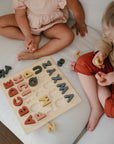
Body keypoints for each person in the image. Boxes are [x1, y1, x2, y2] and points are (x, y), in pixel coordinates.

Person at [71, 1, 114, 131]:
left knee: (112, 111)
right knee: (82, 63)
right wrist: (101, 52)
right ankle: (96, 106)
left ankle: (98, 82)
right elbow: (106, 41)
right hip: (109, 63)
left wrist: (112, 77)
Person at [0, 0, 87, 61]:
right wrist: (27, 35)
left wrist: (80, 23)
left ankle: (36, 54)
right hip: (29, 20)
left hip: (52, 23)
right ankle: (33, 37)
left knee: (68, 36)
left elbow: (77, 9)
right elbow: (20, 15)